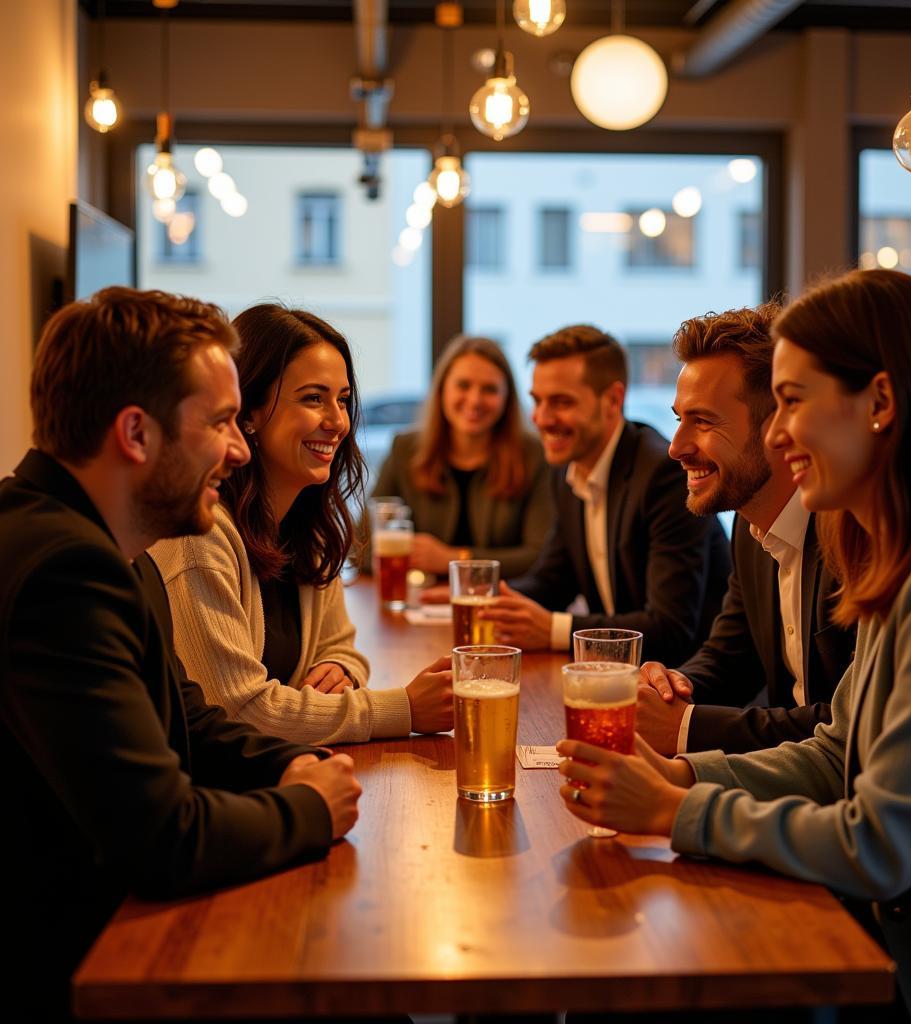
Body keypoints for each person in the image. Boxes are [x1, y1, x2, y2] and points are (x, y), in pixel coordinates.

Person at [556, 269, 911, 1024]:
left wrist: (678, 812)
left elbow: (881, 842)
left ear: (880, 403)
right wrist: (677, 772)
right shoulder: (907, 558)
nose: (776, 434)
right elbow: (837, 752)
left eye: (793, 402)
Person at [0, 288, 360, 1021]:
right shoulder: (65, 572)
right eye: (223, 422)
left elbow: (187, 717)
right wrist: (308, 809)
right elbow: (163, 839)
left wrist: (287, 761)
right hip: (81, 969)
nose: (237, 449)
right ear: (136, 433)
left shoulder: (96, 543)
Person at [151, 304, 452, 747]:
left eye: (343, 400)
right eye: (313, 398)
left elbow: (342, 643)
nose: (337, 422)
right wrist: (404, 708)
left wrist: (342, 670)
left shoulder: (306, 525)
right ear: (247, 412)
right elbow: (236, 710)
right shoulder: (200, 535)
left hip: (279, 771)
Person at [637, 304, 855, 756]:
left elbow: (848, 725)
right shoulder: (749, 522)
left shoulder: (857, 534)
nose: (676, 447)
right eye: (680, 419)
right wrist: (671, 688)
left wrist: (685, 728)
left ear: (778, 426)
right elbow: (731, 657)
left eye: (704, 421)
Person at [483, 324, 731, 665]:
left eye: (561, 402)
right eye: (537, 401)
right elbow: (553, 581)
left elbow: (670, 629)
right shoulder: (568, 472)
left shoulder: (662, 473)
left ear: (613, 400)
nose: (541, 419)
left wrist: (554, 629)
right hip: (617, 677)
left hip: (688, 686)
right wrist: (483, 599)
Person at [370, 334, 552, 577]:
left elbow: (540, 556)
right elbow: (362, 543)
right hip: (416, 602)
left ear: (507, 398)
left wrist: (453, 559)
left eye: (489, 389)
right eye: (463, 385)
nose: (475, 400)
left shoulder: (535, 456)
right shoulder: (405, 449)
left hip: (498, 604)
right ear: (442, 389)